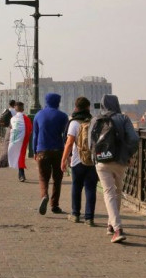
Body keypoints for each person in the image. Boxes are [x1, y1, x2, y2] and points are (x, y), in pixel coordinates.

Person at [90, 94, 139, 243]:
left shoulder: (95, 119)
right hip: (119, 161)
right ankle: (116, 227)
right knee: (117, 191)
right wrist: (128, 154)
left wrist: (96, 158)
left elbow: (89, 143)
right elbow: (134, 139)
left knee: (109, 192)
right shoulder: (123, 118)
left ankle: (114, 226)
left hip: (102, 161)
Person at [60, 97, 98, 226]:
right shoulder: (93, 122)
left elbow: (69, 143)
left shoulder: (74, 123)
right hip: (92, 161)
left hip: (77, 160)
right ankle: (89, 218)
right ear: (88, 108)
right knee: (90, 189)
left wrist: (64, 159)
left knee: (76, 187)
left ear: (76, 107)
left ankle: (75, 214)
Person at [32, 93, 69, 215]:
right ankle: (55, 205)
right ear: (58, 102)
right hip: (58, 151)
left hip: (42, 150)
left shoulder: (38, 115)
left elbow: (35, 135)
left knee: (43, 177)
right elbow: (66, 136)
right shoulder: (62, 116)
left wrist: (34, 151)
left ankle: (44, 195)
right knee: (57, 179)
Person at [8, 102, 32, 182]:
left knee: (18, 155)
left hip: (15, 141)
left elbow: (11, 128)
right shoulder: (26, 119)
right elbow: (30, 130)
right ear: (23, 109)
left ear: (15, 108)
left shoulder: (13, 119)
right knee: (21, 156)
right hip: (23, 140)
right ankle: (21, 174)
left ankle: (21, 174)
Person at [0, 100, 17, 168]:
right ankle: (7, 159)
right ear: (14, 104)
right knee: (11, 144)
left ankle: (4, 159)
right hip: (12, 128)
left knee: (6, 143)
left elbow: (0, 116)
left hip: (6, 127)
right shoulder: (14, 111)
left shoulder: (6, 110)